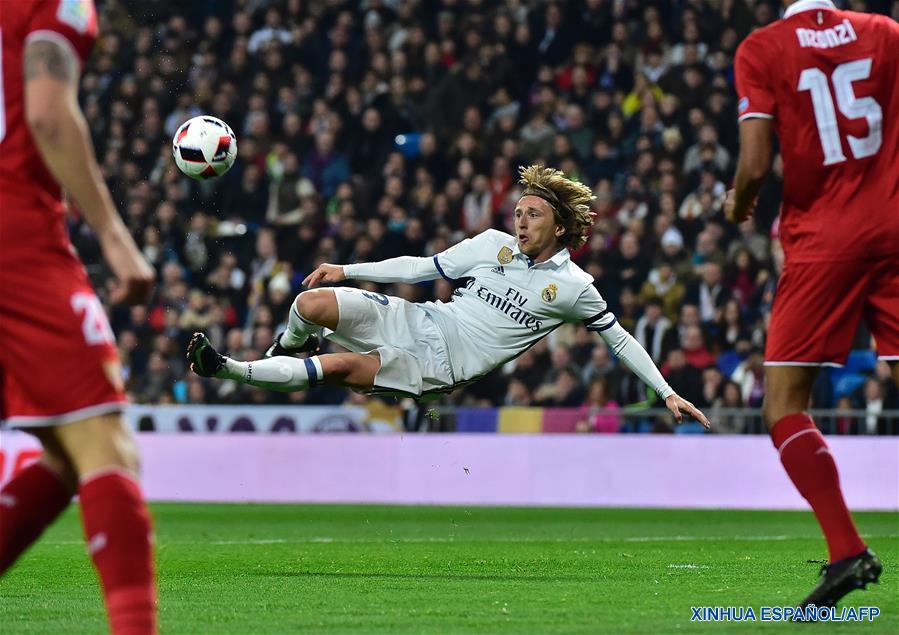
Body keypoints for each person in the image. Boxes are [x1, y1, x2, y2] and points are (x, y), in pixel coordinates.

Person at [189, 165, 710, 433]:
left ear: (560, 226)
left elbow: (619, 341)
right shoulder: (492, 245)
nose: (521, 221)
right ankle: (287, 347)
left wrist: (665, 391)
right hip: (422, 319)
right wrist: (347, 269)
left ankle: (228, 369)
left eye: (533, 214)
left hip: (439, 366)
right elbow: (421, 268)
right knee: (311, 304)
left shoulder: (575, 287)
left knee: (339, 366)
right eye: (519, 212)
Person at [725, 0, 899, 607]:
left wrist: (739, 201)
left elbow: (755, 162)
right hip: (895, 227)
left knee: (783, 403)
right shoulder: (886, 33)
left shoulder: (762, 47)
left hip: (824, 241)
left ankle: (847, 549)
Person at [0, 2, 158, 634]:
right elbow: (46, 114)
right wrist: (115, 237)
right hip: (14, 237)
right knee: (104, 443)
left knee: (66, 454)